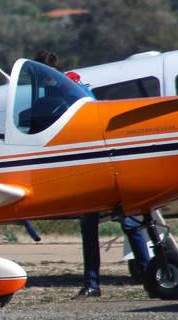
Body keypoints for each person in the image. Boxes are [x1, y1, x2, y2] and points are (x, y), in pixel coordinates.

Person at [29, 52, 152, 298]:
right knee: (128, 223)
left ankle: (95, 283)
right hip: (103, 162)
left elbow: (36, 120)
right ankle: (148, 277)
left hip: (91, 167)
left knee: (106, 225)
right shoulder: (77, 85)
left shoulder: (56, 93)